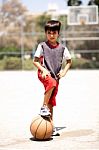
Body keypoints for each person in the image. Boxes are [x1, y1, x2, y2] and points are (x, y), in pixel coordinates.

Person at [33, 20, 72, 122]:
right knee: (51, 82)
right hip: (44, 73)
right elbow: (35, 61)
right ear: (46, 33)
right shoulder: (42, 46)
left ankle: (50, 124)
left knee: (52, 99)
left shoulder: (63, 48)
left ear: (58, 33)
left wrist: (64, 72)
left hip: (56, 76)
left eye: (54, 33)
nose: (51, 35)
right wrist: (43, 70)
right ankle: (43, 107)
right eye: (49, 33)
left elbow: (69, 61)